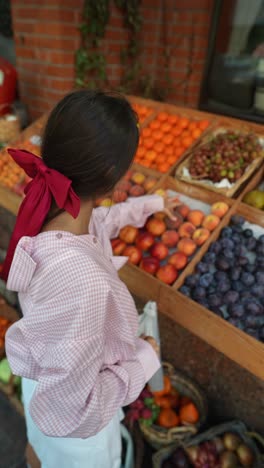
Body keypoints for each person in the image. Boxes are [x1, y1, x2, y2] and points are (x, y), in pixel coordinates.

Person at [3, 90, 177, 468]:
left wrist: (150, 207)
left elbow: (99, 224)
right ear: (112, 178)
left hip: (47, 381)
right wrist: (144, 359)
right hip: (77, 432)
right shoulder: (82, 281)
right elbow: (73, 414)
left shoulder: (51, 215)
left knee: (40, 455)